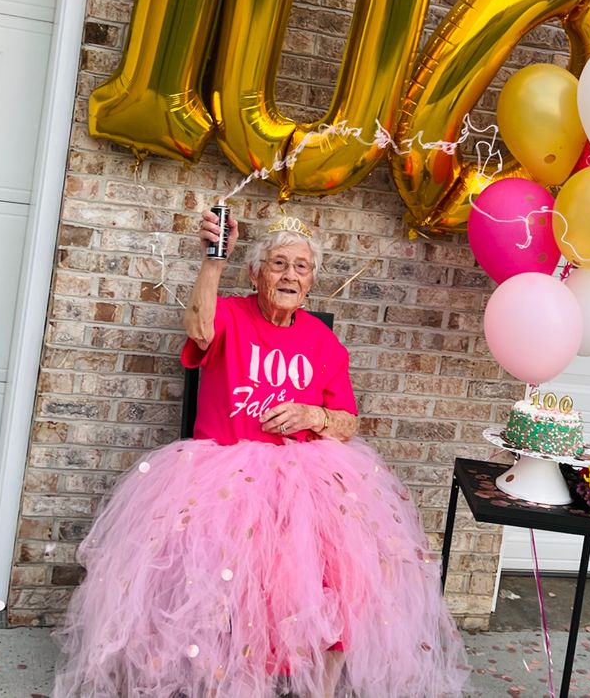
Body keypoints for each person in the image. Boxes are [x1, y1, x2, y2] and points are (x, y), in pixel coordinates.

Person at [53, 211, 468, 697]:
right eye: (278, 264)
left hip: (304, 480)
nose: (290, 275)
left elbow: (349, 422)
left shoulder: (323, 342)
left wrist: (314, 415)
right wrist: (214, 262)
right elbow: (198, 328)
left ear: (312, 279)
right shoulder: (229, 313)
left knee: (339, 572)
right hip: (224, 475)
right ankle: (218, 683)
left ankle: (321, 690)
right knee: (216, 588)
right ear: (256, 273)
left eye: (301, 267)